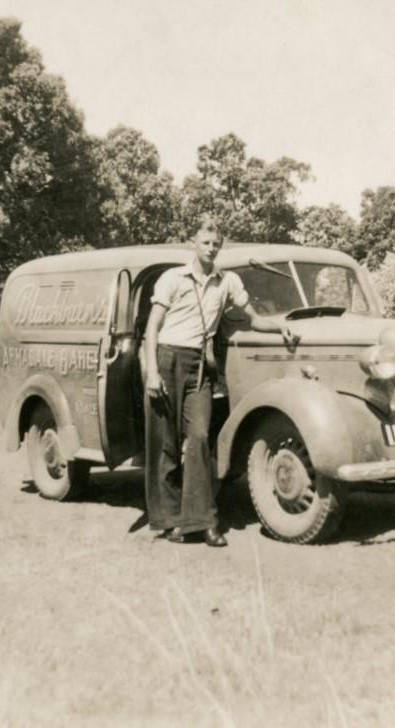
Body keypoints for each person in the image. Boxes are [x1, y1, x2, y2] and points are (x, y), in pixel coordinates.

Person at [142, 217, 294, 547]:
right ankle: (168, 520)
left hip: (199, 366)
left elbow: (252, 318)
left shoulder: (227, 282)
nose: (211, 249)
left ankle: (202, 522)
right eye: (205, 243)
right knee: (164, 444)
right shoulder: (173, 278)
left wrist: (279, 327)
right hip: (167, 359)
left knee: (199, 438)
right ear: (193, 243)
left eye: (216, 244)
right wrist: (152, 372)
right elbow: (152, 327)